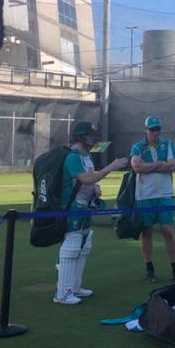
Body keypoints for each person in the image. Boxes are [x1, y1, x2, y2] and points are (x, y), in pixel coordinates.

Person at [54, 121, 128, 305]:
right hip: (73, 209)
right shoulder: (73, 157)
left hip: (85, 207)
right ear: (80, 136)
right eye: (90, 135)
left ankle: (75, 288)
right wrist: (110, 167)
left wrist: (95, 188)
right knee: (71, 247)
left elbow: (88, 180)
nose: (94, 138)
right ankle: (63, 293)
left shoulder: (85, 156)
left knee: (84, 246)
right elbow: (87, 178)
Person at [130, 115, 175, 283]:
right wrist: (160, 165)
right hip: (144, 196)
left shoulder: (167, 144)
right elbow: (137, 167)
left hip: (165, 194)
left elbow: (172, 165)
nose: (155, 132)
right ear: (145, 130)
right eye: (152, 129)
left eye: (157, 129)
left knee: (168, 232)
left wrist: (149, 167)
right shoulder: (137, 147)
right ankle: (150, 269)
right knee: (146, 233)